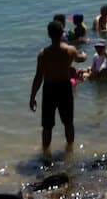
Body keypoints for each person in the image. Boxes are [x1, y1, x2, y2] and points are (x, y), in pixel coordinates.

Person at [29, 21, 87, 156]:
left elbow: (38, 77)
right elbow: (79, 59)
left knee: (47, 126)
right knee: (68, 123)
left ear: (49, 34)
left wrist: (32, 97)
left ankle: (46, 153)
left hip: (49, 89)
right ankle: (70, 151)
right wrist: (84, 54)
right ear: (62, 33)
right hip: (64, 88)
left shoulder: (43, 54)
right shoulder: (69, 50)